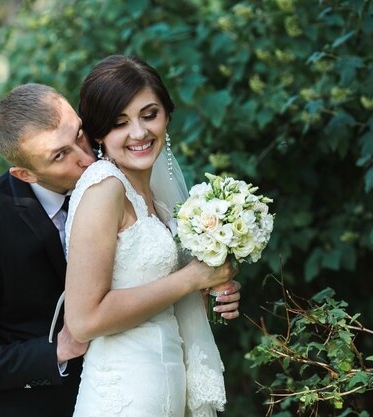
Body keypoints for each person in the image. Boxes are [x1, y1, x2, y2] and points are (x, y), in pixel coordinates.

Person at [0, 82, 241, 417]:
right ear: (25, 173)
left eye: (79, 135)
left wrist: (205, 288)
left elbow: (141, 279)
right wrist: (55, 351)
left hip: (144, 388)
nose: (84, 157)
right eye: (59, 155)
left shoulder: (123, 177)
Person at [64, 55, 237, 417]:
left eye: (149, 114)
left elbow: (160, 296)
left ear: (167, 115)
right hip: (123, 398)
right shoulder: (104, 190)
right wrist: (190, 278)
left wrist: (213, 286)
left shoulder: (159, 199)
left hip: (166, 391)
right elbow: (83, 320)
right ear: (98, 133)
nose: (139, 133)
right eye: (119, 122)